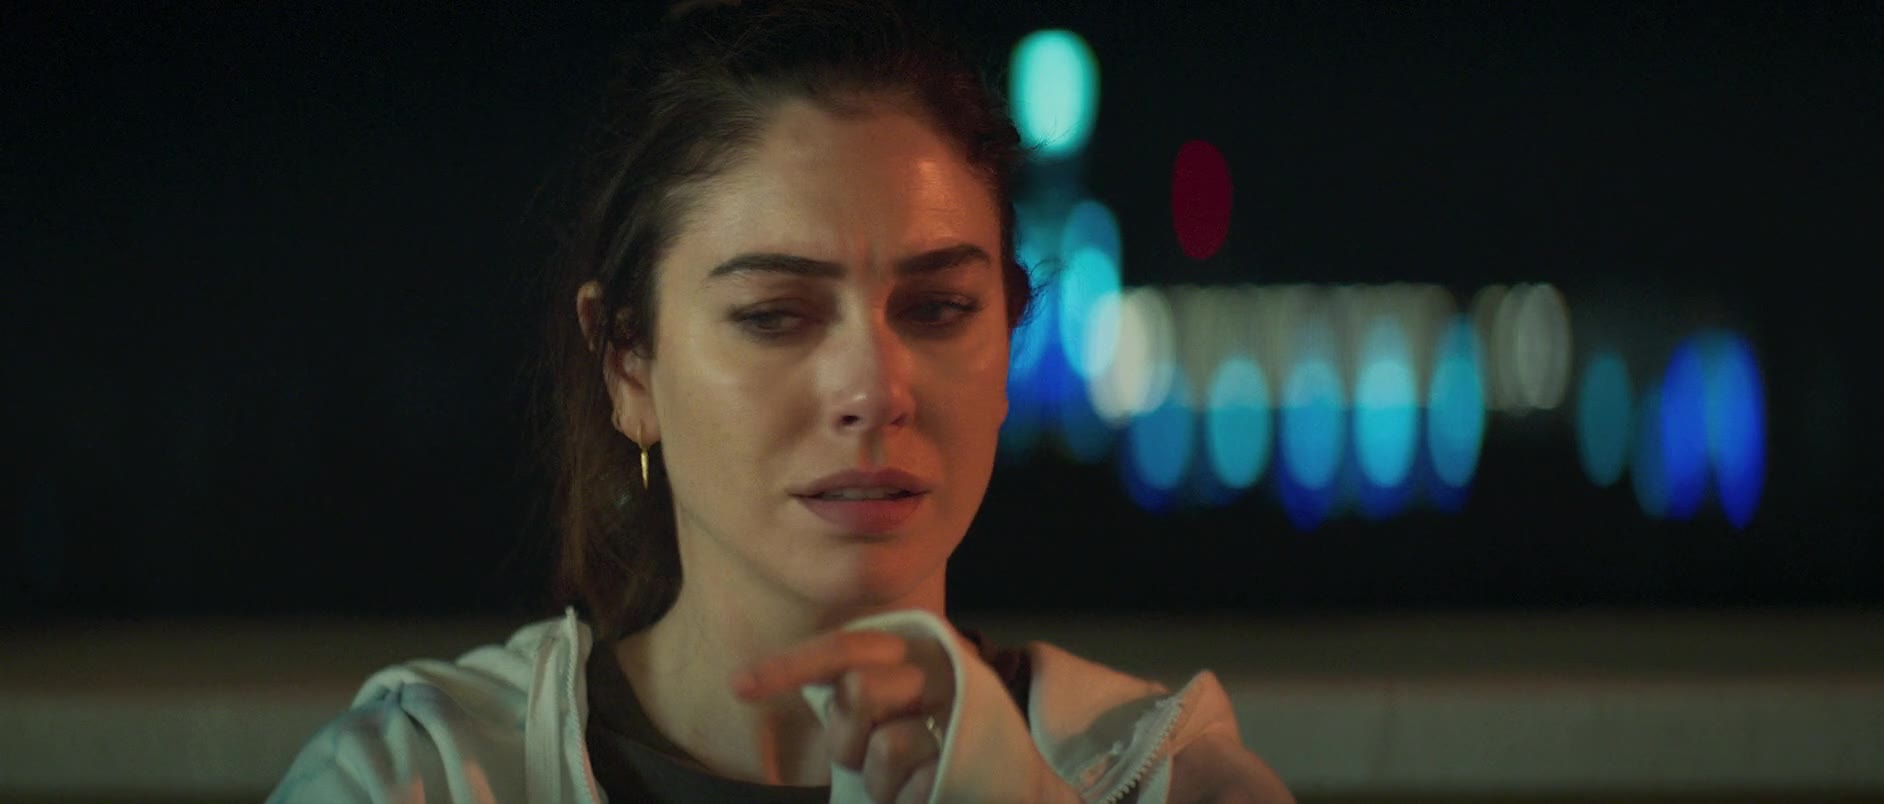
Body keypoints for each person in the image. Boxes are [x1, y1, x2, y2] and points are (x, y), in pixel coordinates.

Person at [270, 1, 1293, 801]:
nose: (874, 389)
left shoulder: (1163, 777)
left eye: (938, 308)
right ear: (628, 364)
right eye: (775, 316)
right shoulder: (428, 777)